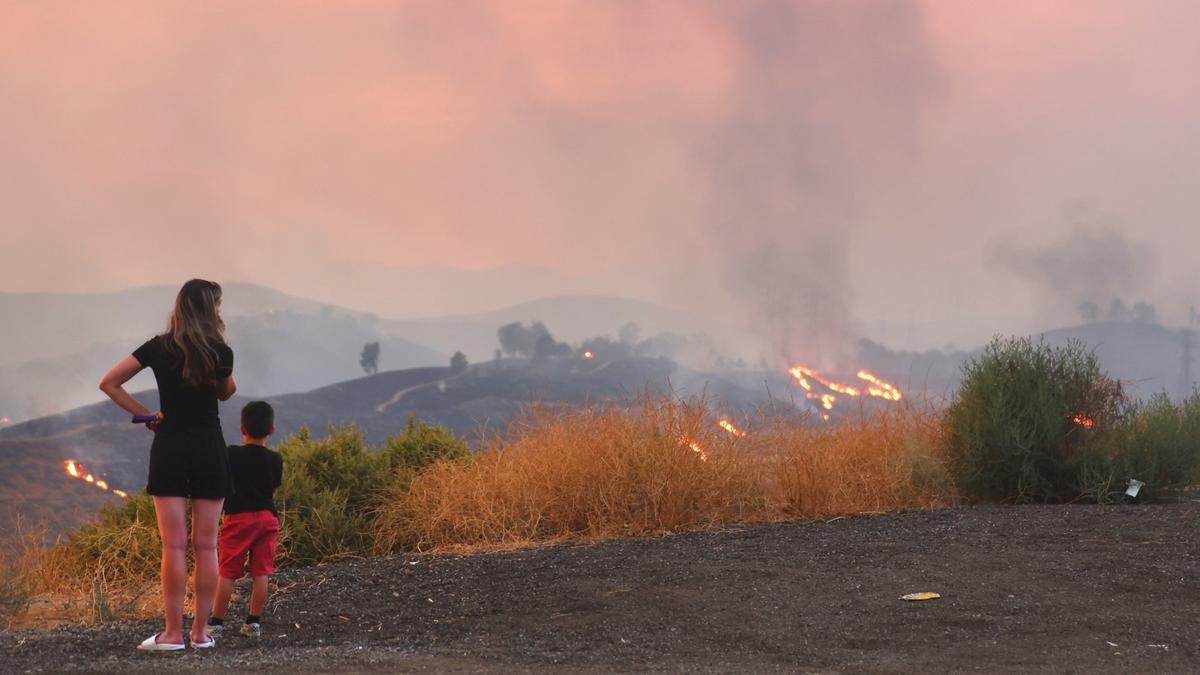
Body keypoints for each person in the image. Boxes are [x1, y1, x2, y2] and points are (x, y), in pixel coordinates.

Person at [98, 279, 236, 651]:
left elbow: (109, 382)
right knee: (207, 546)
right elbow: (226, 392)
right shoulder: (220, 351)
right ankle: (201, 634)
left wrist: (146, 415)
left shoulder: (160, 346)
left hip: (170, 446)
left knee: (174, 546)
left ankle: (172, 634)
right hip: (209, 446)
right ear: (211, 310)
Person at [208, 401, 283, 638]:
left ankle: (216, 623)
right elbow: (272, 491)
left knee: (228, 572)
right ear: (272, 430)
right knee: (261, 573)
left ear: (242, 429)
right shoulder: (275, 459)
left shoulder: (231, 454)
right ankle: (253, 623)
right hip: (267, 518)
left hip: (238, 518)